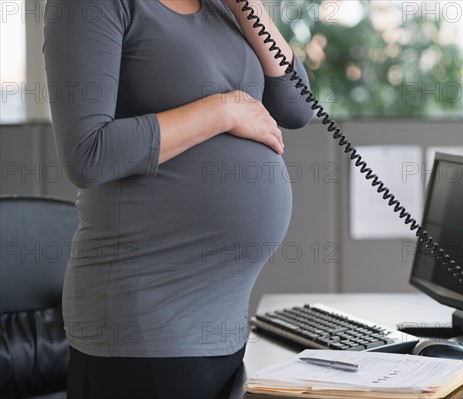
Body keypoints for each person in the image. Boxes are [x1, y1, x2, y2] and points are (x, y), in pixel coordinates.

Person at [42, 0, 313, 397]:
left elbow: (297, 106)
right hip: (143, 321)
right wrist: (222, 109)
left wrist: (248, 8)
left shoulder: (224, 8)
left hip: (222, 325)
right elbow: (87, 154)